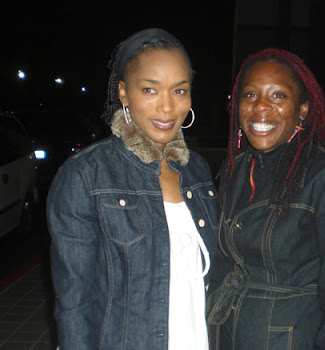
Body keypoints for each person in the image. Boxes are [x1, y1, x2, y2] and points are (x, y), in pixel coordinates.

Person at [47, 28, 218, 350]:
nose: (167, 108)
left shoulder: (196, 170)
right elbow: (74, 303)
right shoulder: (87, 175)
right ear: (124, 93)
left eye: (179, 91)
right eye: (150, 90)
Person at [207, 48, 325, 350]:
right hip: (225, 334)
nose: (260, 107)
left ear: (303, 109)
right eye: (249, 95)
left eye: (278, 96)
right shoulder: (237, 167)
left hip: (290, 338)